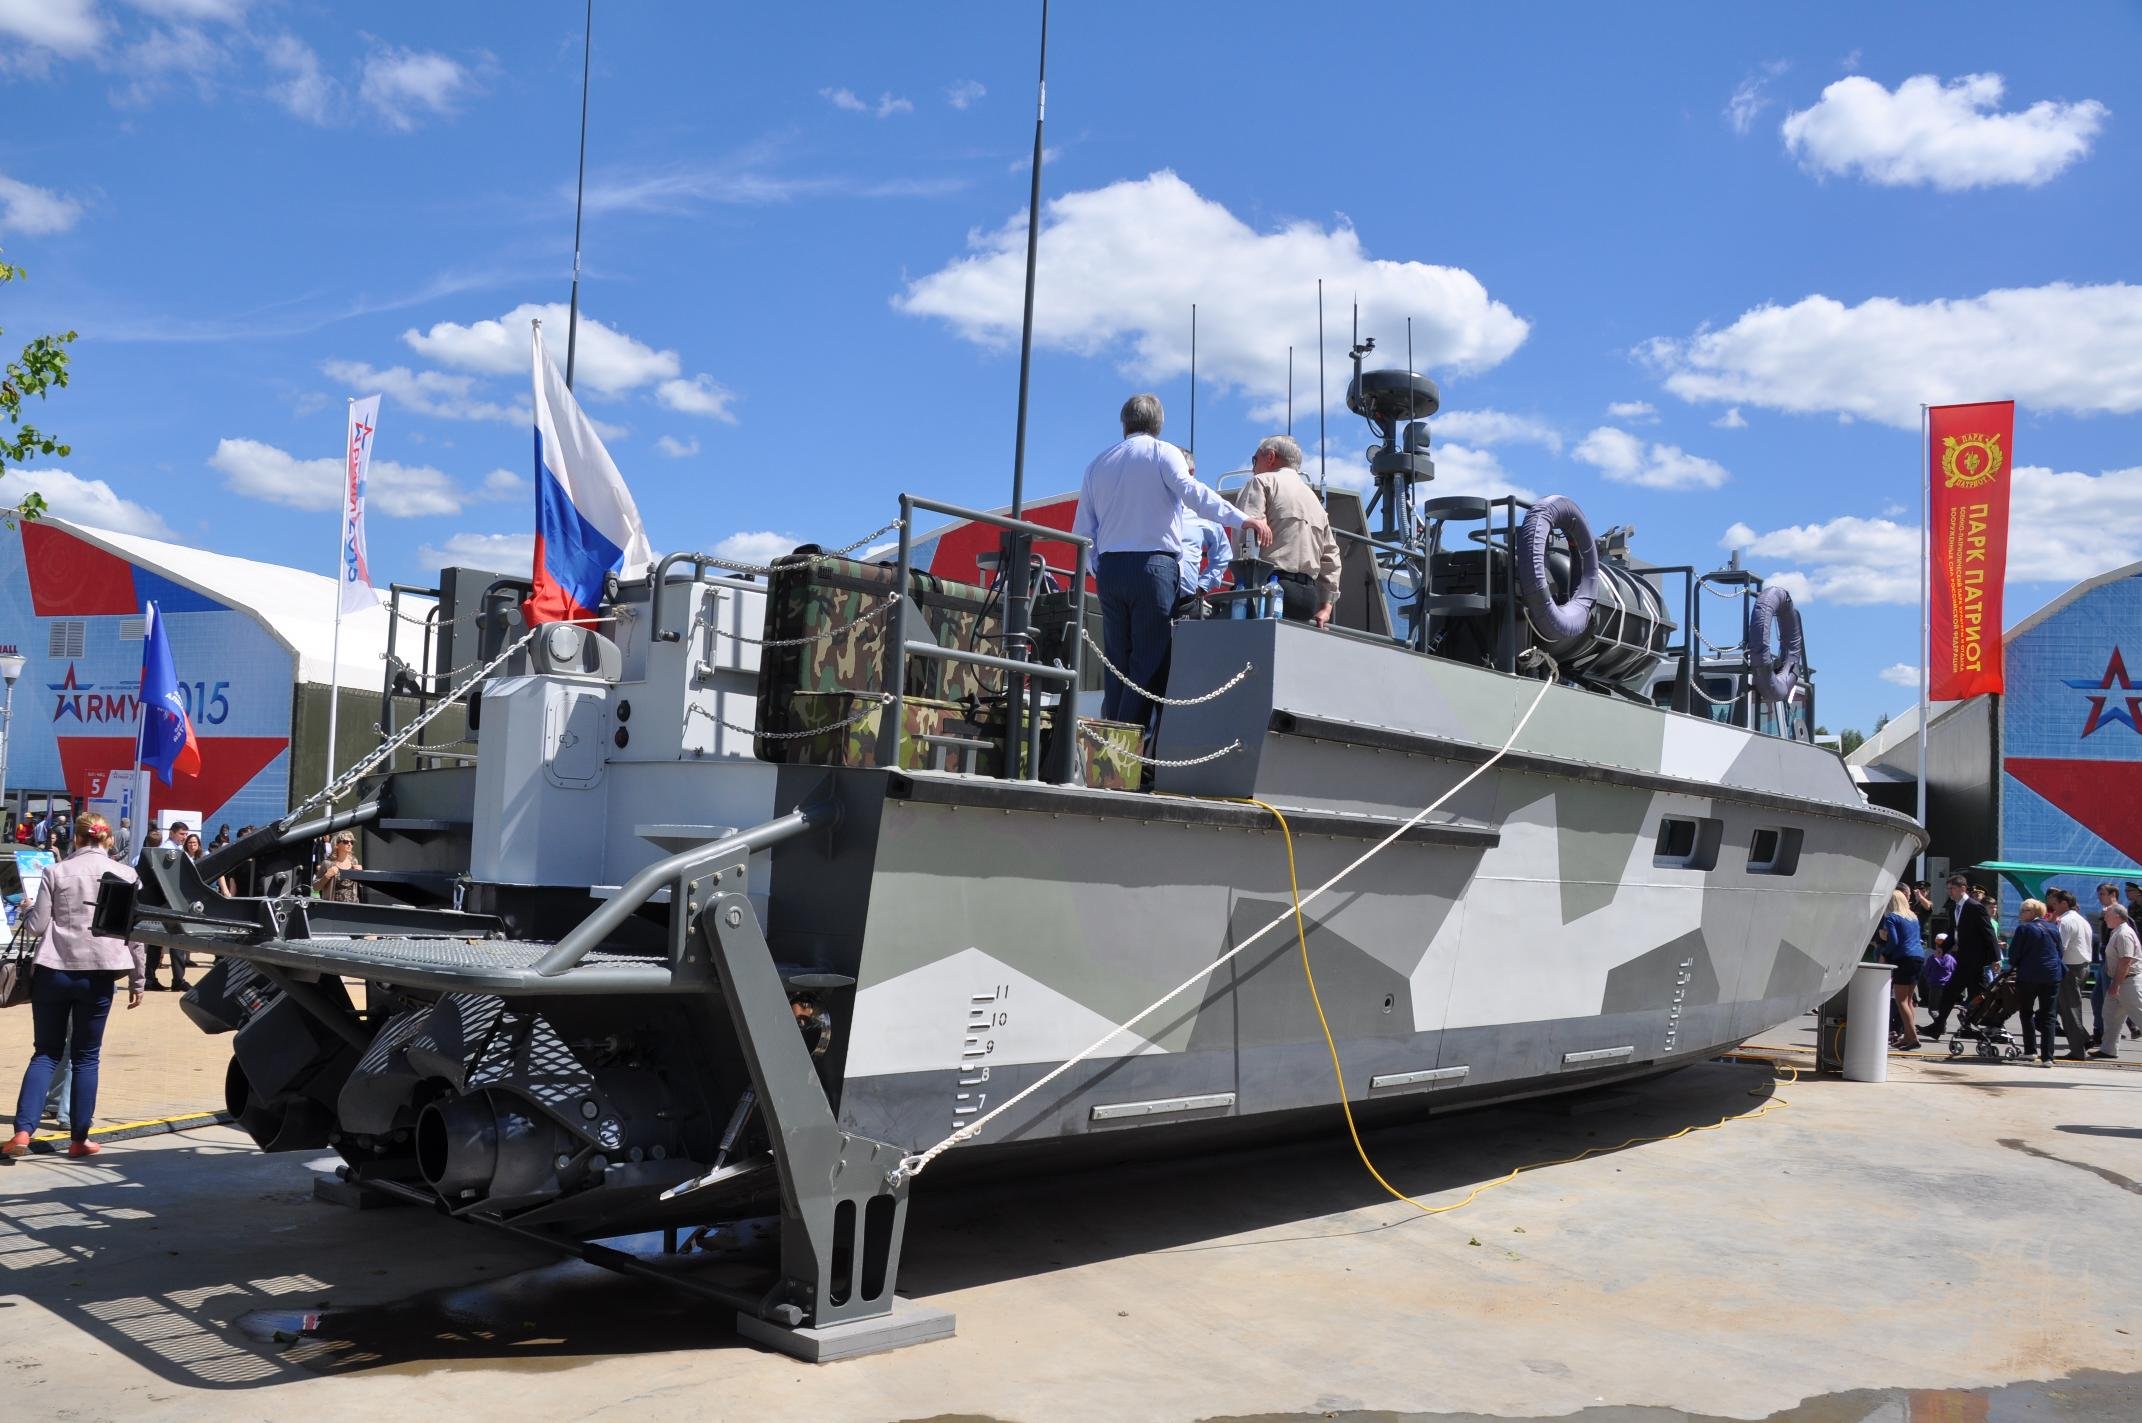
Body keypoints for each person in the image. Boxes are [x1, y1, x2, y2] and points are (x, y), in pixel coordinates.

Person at [1072, 394, 1271, 731]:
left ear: (1125, 423)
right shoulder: (1163, 453)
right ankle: (1128, 743)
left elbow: (1083, 530)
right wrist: (1242, 519)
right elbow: (1195, 494)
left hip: (1110, 570)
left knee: (1117, 659)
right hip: (1154, 567)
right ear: (1159, 423)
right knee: (1150, 657)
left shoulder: (1097, 464)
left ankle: (1111, 734)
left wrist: (1098, 568)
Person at [4, 813, 144, 1159]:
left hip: (54, 969)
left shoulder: (56, 871)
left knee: (45, 1053)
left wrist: (28, 909)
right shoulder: (127, 875)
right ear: (108, 839)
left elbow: (37, 927)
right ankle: (79, 1138)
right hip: (99, 973)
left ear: (77, 838)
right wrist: (139, 979)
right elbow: (134, 933)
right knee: (86, 1057)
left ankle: (22, 1133)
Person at [1233, 435, 1342, 626]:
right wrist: (1326, 606)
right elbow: (1331, 558)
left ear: (1270, 457)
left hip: (1269, 591)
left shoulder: (1261, 482)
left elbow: (1246, 535)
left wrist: (1241, 585)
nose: (1253, 468)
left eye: (1255, 460)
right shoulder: (1316, 502)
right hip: (1307, 599)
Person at [1927, 874, 1999, 1038]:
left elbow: (1988, 933)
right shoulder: (1955, 908)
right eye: (1948, 889)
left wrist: (1996, 958)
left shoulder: (1975, 907)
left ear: (1963, 888)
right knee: (1978, 994)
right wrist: (1943, 948)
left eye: (1952, 888)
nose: (1949, 892)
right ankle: (1976, 1026)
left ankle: (1938, 1027)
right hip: (1964, 957)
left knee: (1951, 991)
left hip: (1973, 959)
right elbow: (1954, 932)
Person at [1172, 449, 1233, 615]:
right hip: (1148, 600)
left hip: (1185, 605)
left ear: (1191, 473)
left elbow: (1223, 554)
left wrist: (1203, 584)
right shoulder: (1149, 505)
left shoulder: (1203, 512)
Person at [2006, 899, 2063, 1067]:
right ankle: (2048, 1057)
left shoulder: (2024, 929)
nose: (2021, 914)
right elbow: (2060, 951)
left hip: (2029, 976)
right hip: (2051, 975)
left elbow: (2014, 954)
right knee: (2049, 1015)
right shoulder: (2053, 928)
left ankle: (2030, 1050)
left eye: (2024, 910)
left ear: (2033, 912)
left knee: (2026, 1012)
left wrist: (2015, 966)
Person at [2047, 888, 2095, 1060]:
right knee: (2065, 1008)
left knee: (2070, 1011)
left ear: (2064, 903)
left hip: (2070, 969)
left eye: (2055, 904)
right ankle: (2084, 1040)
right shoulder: (2082, 920)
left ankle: (2078, 1050)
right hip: (2082, 966)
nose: (2053, 907)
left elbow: (2060, 948)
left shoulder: (2065, 921)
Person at [1875, 888, 1925, 1049]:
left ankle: (1913, 1038)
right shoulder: (1913, 917)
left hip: (1903, 958)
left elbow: (1894, 941)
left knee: (1900, 1000)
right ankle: (1908, 1036)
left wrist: (1885, 952)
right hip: (1918, 957)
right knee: (1909, 1000)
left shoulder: (1891, 918)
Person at [2093, 902, 2140, 1061]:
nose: (2104, 918)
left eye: (2107, 915)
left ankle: (2108, 1049)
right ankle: (2108, 1049)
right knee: (2110, 1015)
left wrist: (2116, 985)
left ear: (2117, 916)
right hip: (2121, 981)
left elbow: (2126, 960)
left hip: (2128, 982)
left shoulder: (2123, 934)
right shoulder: (2117, 931)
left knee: (2139, 1014)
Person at [314, 831, 363, 903]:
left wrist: (361, 874)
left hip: (353, 906)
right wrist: (326, 876)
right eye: (346, 842)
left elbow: (358, 887)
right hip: (333, 906)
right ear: (336, 845)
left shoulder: (354, 862)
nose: (349, 844)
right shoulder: (327, 863)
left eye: (352, 842)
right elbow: (315, 887)